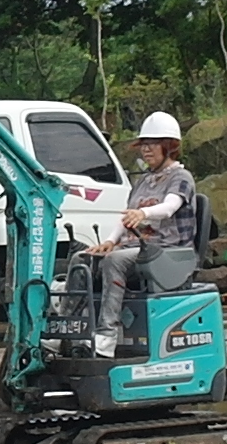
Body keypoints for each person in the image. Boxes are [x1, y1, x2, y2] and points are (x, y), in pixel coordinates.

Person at [82, 113, 201, 351]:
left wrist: (143, 214)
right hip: (138, 249)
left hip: (167, 252)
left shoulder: (181, 178)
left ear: (170, 146)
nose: (146, 150)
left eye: (153, 144)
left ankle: (106, 335)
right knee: (83, 259)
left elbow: (169, 208)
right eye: (143, 145)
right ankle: (72, 331)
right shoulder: (143, 181)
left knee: (115, 261)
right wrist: (109, 241)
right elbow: (127, 216)